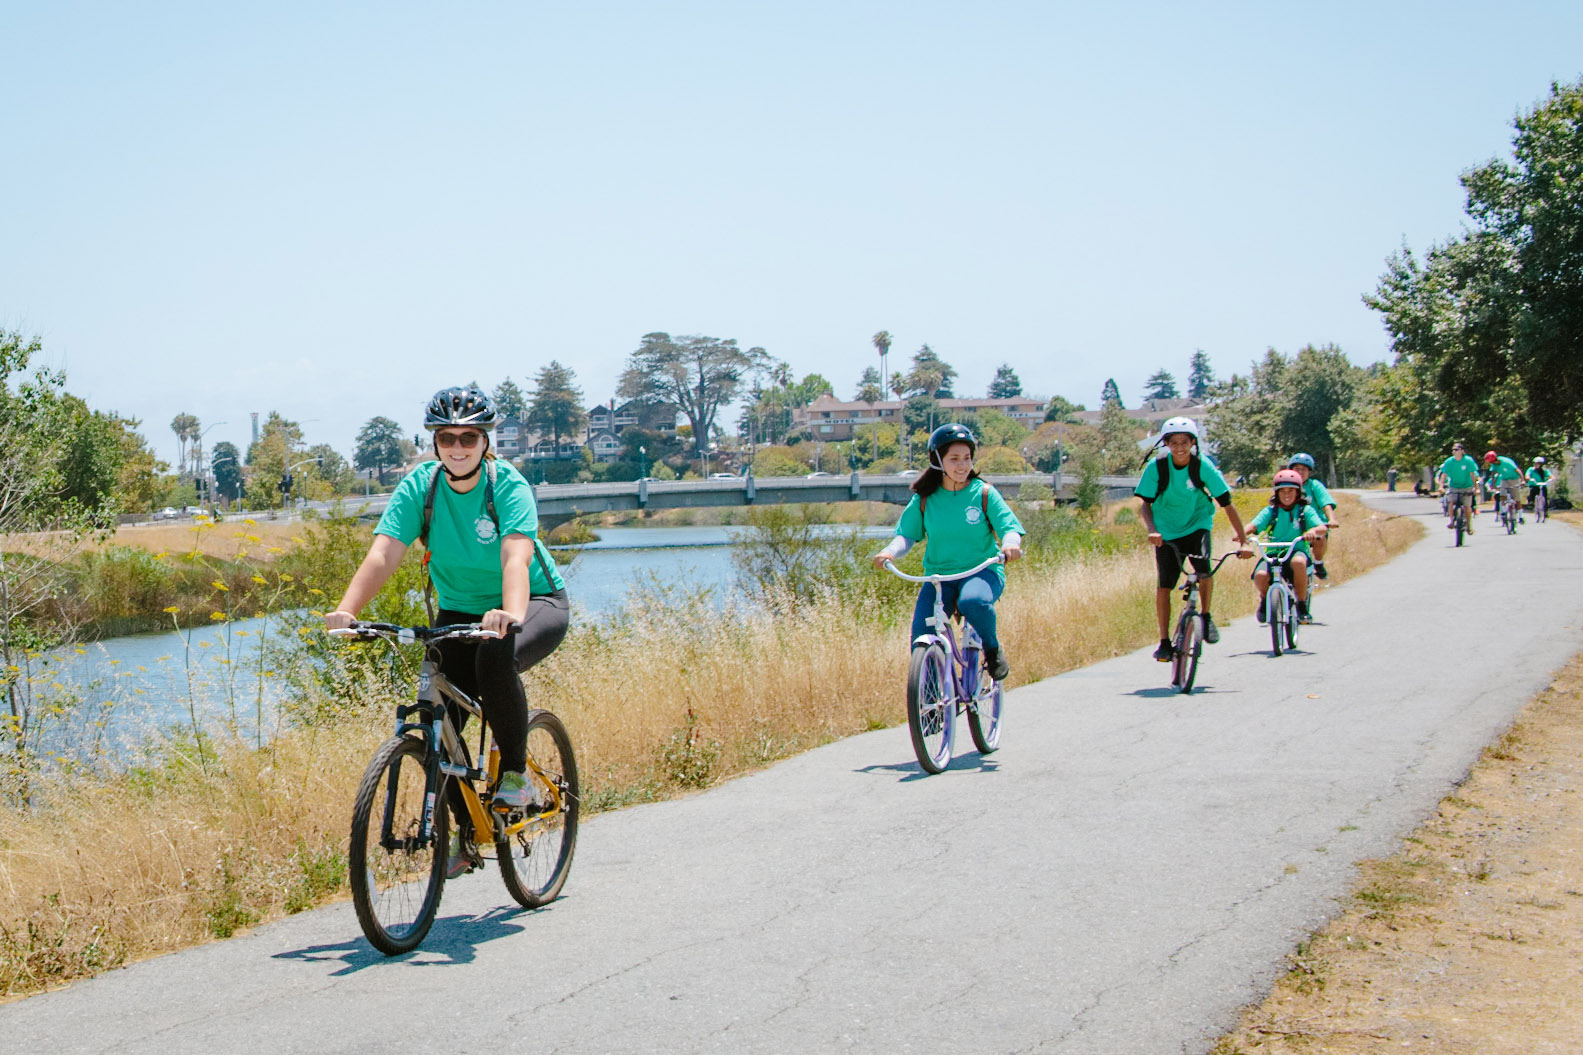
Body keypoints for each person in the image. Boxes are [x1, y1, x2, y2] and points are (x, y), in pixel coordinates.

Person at [325, 385, 570, 872]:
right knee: (440, 719)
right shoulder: (422, 487)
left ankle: (517, 776)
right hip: (458, 610)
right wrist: (346, 611)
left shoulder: (508, 487)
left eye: (469, 438)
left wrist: (510, 614)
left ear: (485, 442)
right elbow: (384, 553)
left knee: (494, 657)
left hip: (533, 601)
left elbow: (515, 559)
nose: (457, 447)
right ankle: (465, 833)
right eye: (447, 438)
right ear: (435, 442)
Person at [871, 423, 1024, 680]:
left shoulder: (984, 493)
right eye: (954, 459)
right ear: (938, 460)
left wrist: (1011, 544)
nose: (962, 465)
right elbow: (907, 536)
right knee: (921, 633)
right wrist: (889, 552)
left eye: (967, 458)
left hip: (982, 571)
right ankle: (930, 708)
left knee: (972, 601)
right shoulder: (925, 499)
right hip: (940, 577)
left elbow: (1009, 527)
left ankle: (993, 648)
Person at [1134, 417, 1250, 662]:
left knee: (1204, 571)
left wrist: (1243, 541)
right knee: (1164, 585)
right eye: (1173, 442)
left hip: (1197, 524)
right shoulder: (1157, 468)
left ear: (1193, 442)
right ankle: (1164, 641)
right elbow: (1145, 504)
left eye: (1184, 442)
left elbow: (1227, 504)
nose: (1179, 447)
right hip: (1166, 530)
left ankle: (1206, 616)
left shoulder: (1202, 466)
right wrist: (1153, 530)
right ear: (1165, 443)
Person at [1248, 470, 1327, 624]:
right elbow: (1253, 525)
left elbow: (1322, 528)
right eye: (1282, 491)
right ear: (1276, 493)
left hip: (1295, 550)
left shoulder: (1305, 511)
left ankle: (1302, 605)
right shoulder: (1271, 512)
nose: (1286, 494)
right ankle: (1265, 600)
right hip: (1273, 553)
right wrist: (1242, 534)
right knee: (1260, 575)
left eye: (1290, 490)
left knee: (1298, 563)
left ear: (1298, 492)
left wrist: (1312, 531)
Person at [1286, 453, 1339, 579]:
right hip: (1293, 527)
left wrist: (1331, 519)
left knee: (1319, 538)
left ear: (1309, 472)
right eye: (1297, 469)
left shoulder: (1314, 485)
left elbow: (1326, 504)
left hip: (1313, 525)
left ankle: (1318, 563)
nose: (1300, 472)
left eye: (1304, 469)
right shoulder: (1285, 486)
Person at [1436, 442, 1481, 533]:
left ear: (1462, 451)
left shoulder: (1468, 460)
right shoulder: (1449, 461)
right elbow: (1444, 475)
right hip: (1454, 486)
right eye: (1453, 450)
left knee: (1467, 506)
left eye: (1456, 450)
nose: (1454, 451)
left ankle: (1469, 526)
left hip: (1467, 486)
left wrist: (1476, 488)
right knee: (1451, 503)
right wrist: (1441, 487)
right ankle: (1452, 521)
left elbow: (1473, 475)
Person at [1484, 449, 1524, 523]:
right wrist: (1493, 485)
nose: (1493, 464)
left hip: (1514, 479)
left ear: (1496, 459)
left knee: (1517, 498)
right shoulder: (1494, 465)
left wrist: (1522, 480)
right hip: (1504, 479)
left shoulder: (1506, 462)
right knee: (1502, 496)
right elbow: (1493, 475)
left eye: (1493, 462)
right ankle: (1503, 513)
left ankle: (1520, 516)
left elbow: (1518, 470)